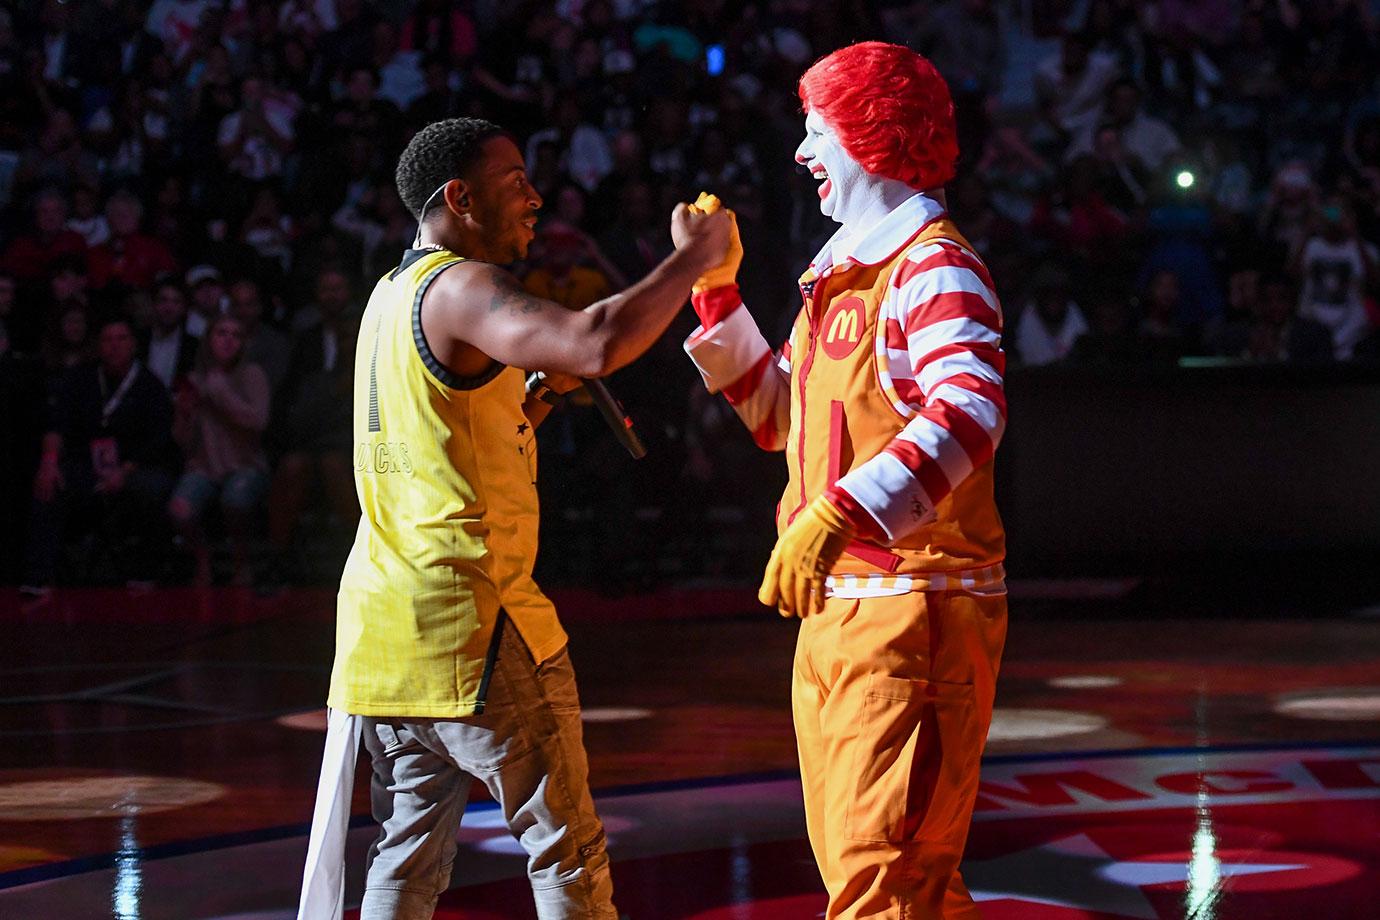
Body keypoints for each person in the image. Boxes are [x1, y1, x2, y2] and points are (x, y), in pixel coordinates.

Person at [297, 117, 730, 920]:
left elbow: (434, 437)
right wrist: (695, 260)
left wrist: (526, 403)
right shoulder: (458, 288)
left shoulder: (389, 296)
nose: (536, 198)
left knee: (406, 856)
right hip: (475, 623)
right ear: (459, 198)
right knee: (567, 853)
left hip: (386, 635)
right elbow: (593, 340)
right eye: (515, 183)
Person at [682, 43, 1007, 918]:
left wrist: (838, 512)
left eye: (816, 128)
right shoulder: (845, 274)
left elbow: (972, 408)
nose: (801, 151)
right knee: (883, 881)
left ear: (868, 136)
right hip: (840, 610)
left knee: (885, 882)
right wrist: (716, 293)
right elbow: (780, 420)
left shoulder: (931, 264)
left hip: (913, 608)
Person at [23, 318, 174, 595]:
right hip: (88, 464)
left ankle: (146, 569)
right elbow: (57, 424)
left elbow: (158, 440)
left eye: (121, 339)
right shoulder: (80, 378)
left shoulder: (150, 386)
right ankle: (39, 575)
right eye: (108, 339)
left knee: (152, 488)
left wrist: (124, 471)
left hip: (133, 467)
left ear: (133, 345)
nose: (114, 346)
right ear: (98, 345)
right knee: (48, 485)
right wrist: (49, 462)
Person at [168, 315, 271, 586]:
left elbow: (259, 421)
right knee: (179, 509)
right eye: (221, 333)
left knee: (235, 500)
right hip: (204, 466)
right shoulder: (194, 379)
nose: (228, 340)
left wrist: (220, 393)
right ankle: (203, 557)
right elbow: (181, 439)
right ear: (209, 339)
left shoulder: (252, 375)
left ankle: (241, 560)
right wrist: (184, 414)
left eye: (235, 335)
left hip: (245, 464)